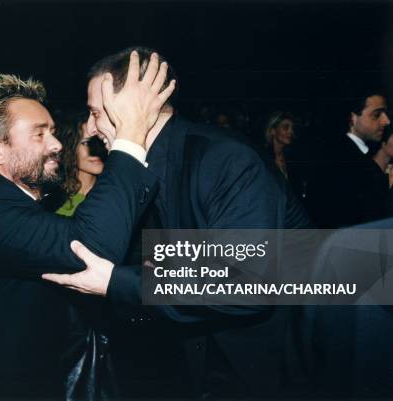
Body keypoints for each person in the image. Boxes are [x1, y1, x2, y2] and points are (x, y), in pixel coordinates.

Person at [44, 46, 313, 399]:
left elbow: (245, 281)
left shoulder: (224, 158)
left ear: (134, 106)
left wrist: (115, 281)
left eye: (97, 112)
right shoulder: (137, 167)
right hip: (203, 360)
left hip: (271, 365)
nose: (91, 129)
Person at [0, 55, 173, 399]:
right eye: (39, 134)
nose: (57, 144)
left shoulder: (22, 203)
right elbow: (88, 248)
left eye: (53, 132)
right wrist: (130, 136)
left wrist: (236, 270)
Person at [309, 91, 391, 228]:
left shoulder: (352, 154)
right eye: (377, 115)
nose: (386, 121)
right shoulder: (342, 160)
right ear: (353, 118)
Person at [55, 111, 106, 216]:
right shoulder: (51, 199)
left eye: (100, 141)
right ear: (70, 149)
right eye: (86, 143)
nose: (96, 149)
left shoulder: (113, 193)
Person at [264, 111, 295, 179]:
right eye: (285, 127)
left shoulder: (290, 157)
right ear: (273, 131)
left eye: (292, 128)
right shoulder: (265, 157)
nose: (291, 132)